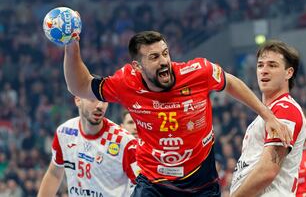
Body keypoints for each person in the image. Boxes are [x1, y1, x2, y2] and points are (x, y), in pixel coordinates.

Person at [63, 30, 291, 196]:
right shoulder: (126, 82)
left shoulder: (197, 71)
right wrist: (71, 46)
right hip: (153, 183)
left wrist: (267, 115)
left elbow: (230, 82)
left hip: (200, 183)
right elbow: (79, 86)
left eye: (165, 53)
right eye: (154, 58)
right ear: (137, 66)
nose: (164, 62)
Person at [230, 40, 306, 196]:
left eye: (272, 65)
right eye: (260, 65)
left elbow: (267, 171)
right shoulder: (267, 115)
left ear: (289, 73)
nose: (264, 71)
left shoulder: (286, 109)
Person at [37, 97, 139, 197]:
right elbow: (54, 174)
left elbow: (144, 186)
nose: (100, 105)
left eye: (104, 100)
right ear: (78, 100)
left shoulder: (124, 141)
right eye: (93, 99)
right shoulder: (64, 132)